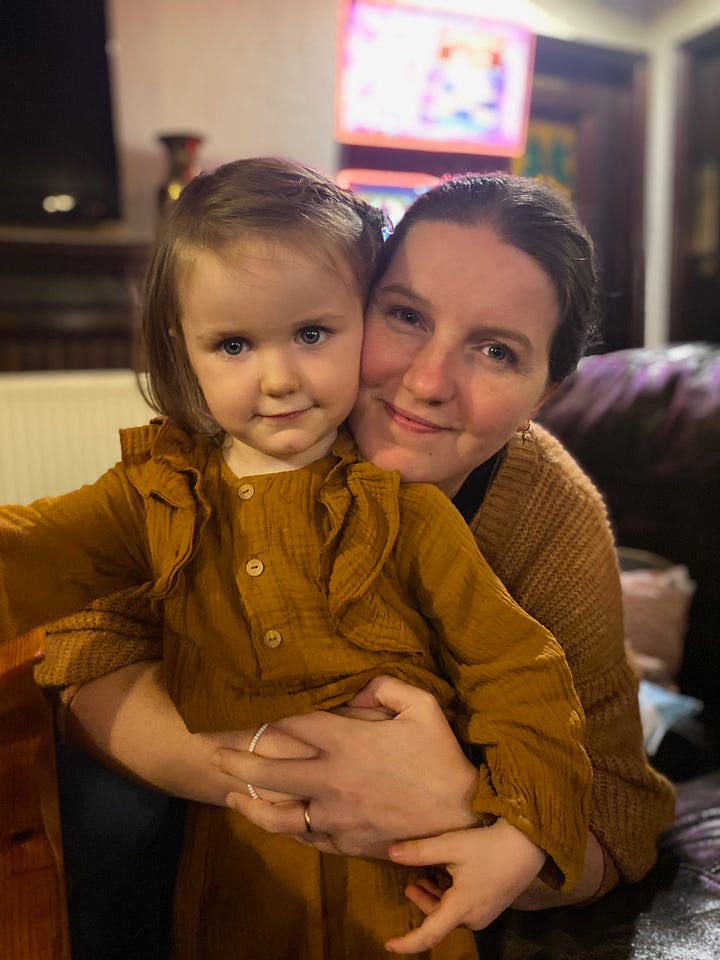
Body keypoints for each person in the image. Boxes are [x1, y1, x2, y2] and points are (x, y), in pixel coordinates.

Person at [40, 167, 674, 952]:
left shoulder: (551, 516)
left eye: (497, 351)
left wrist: (461, 807)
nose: (427, 381)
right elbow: (86, 646)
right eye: (405, 315)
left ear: (543, 395)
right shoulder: (248, 439)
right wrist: (286, 774)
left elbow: (621, 814)